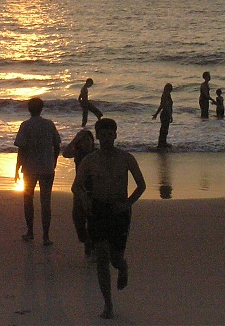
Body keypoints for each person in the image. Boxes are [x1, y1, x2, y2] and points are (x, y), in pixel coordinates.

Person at [72, 118, 146, 319]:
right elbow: (76, 186)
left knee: (115, 258)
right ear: (97, 136)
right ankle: (108, 304)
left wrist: (128, 203)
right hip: (98, 209)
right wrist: (84, 199)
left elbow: (141, 185)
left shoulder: (126, 158)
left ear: (115, 135)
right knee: (102, 258)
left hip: (119, 210)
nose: (106, 139)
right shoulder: (90, 160)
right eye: (102, 135)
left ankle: (123, 267)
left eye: (109, 135)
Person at [14, 97, 61, 245]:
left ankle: (30, 232)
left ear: (29, 109)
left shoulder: (25, 125)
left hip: (29, 168)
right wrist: (54, 161)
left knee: (28, 200)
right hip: (47, 167)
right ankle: (46, 236)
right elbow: (57, 144)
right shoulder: (49, 124)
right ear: (42, 109)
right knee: (46, 202)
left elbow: (22, 149)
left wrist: (17, 168)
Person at [62, 127, 96, 254]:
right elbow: (65, 153)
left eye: (88, 140)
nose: (86, 142)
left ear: (92, 142)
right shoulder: (79, 153)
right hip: (79, 189)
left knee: (92, 220)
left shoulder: (97, 154)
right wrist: (76, 138)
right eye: (83, 140)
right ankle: (86, 241)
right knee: (78, 219)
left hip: (94, 190)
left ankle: (92, 245)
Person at [152, 83, 174, 148]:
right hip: (165, 114)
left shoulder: (165, 95)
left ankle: (163, 142)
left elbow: (161, 106)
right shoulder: (166, 95)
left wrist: (156, 114)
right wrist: (170, 115)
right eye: (170, 88)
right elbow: (166, 106)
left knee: (164, 129)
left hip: (164, 113)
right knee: (164, 129)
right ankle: (162, 143)